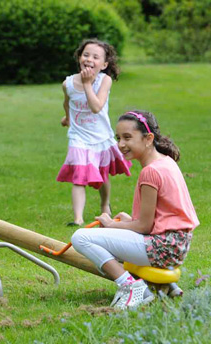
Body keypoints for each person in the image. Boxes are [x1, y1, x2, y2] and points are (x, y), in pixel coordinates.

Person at [71, 110, 199, 310]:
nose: (121, 144)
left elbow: (145, 226)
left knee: (81, 238)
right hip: (177, 245)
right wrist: (128, 220)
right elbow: (162, 217)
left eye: (127, 137)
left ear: (148, 138)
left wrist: (112, 225)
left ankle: (130, 287)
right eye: (118, 138)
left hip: (162, 248)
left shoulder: (151, 172)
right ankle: (165, 285)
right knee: (109, 238)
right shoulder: (166, 162)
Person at [56, 38, 131, 226]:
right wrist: (67, 118)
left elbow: (97, 107)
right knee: (79, 177)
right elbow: (67, 103)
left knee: (101, 175)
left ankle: (105, 205)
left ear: (104, 64)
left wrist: (88, 84)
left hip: (100, 137)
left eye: (96, 57)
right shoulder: (68, 83)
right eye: (86, 54)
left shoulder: (104, 81)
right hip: (78, 137)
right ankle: (78, 218)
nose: (89, 59)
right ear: (79, 58)